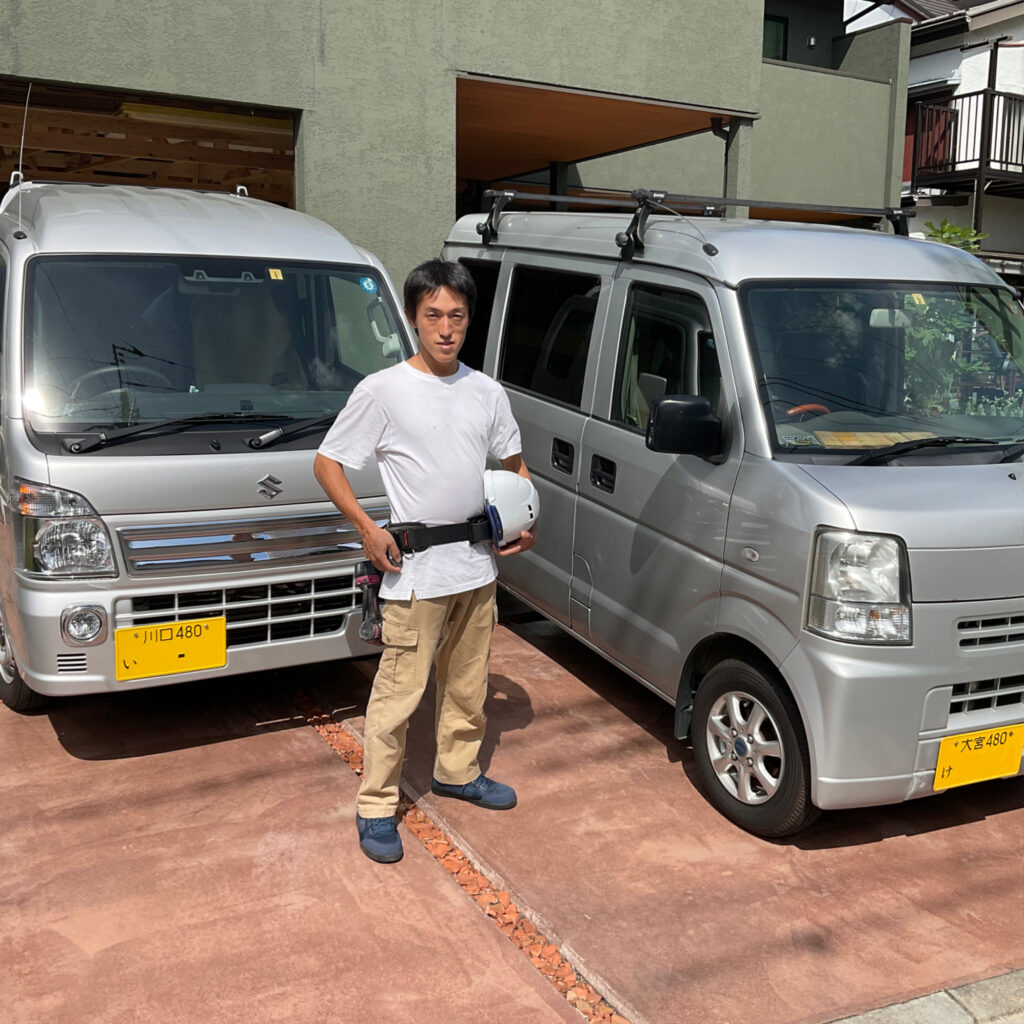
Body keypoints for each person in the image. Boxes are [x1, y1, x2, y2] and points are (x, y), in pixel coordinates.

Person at [313, 259, 536, 864]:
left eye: (456, 316)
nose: (445, 328)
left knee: (468, 685)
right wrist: (366, 529)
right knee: (398, 695)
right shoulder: (382, 390)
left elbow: (515, 465)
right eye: (433, 315)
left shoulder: (486, 392)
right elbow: (328, 463)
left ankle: (457, 772)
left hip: (477, 568)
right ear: (413, 319)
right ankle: (376, 805)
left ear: (469, 320)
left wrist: (526, 519)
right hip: (415, 573)